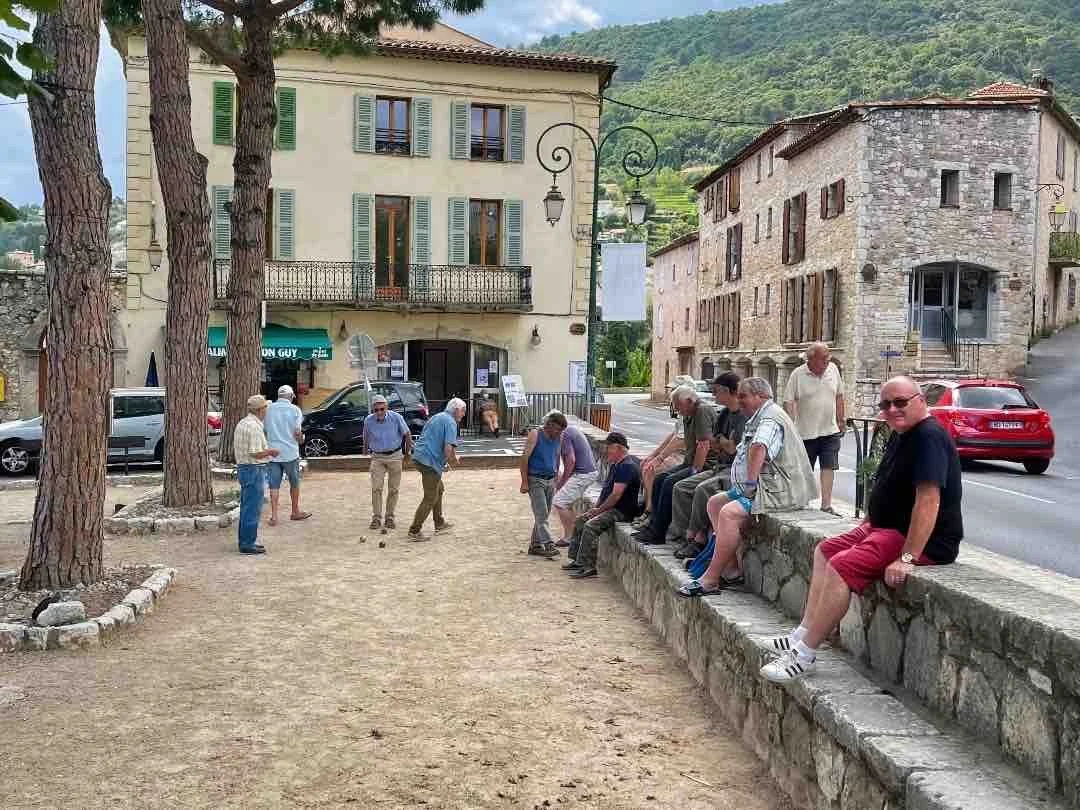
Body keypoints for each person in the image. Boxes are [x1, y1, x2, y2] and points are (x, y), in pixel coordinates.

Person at [760, 376, 963, 682]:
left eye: (900, 402)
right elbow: (887, 483)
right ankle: (800, 634)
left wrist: (907, 559)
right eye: (885, 404)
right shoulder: (901, 432)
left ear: (920, 400)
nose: (892, 409)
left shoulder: (929, 437)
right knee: (825, 550)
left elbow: (928, 501)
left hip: (919, 539)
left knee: (842, 566)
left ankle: (805, 654)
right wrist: (870, 519)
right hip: (885, 527)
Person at [676, 377, 817, 597]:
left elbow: (759, 447)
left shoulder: (770, 419)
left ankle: (711, 579)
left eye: (743, 396)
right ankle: (731, 570)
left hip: (775, 490)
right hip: (762, 487)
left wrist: (750, 484)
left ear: (760, 397)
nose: (738, 400)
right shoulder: (759, 415)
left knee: (729, 513)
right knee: (714, 503)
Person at [669, 372, 747, 558]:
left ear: (728, 391)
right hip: (720, 466)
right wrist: (724, 443)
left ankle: (696, 539)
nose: (714, 395)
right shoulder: (724, 414)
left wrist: (724, 443)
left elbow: (731, 448)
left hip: (734, 471)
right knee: (680, 487)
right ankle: (684, 535)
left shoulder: (742, 417)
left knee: (702, 490)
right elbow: (716, 443)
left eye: (717, 391)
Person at [634, 385, 716, 545]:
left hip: (705, 466)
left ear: (689, 401)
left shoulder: (702, 411)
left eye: (679, 406)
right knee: (659, 480)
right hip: (688, 462)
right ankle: (653, 525)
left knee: (670, 483)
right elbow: (677, 436)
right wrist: (657, 456)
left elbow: (703, 445)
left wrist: (695, 470)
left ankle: (659, 532)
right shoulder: (688, 414)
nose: (678, 411)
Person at [563, 432, 642, 579]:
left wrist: (599, 510)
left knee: (590, 526)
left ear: (619, 448)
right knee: (581, 520)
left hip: (621, 511)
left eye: (609, 447)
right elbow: (606, 491)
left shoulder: (627, 467)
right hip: (611, 508)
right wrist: (596, 509)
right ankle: (577, 560)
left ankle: (588, 566)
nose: (607, 451)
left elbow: (616, 495)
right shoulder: (616, 465)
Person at [784, 342, 846, 516]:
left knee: (829, 466)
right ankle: (802, 502)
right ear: (810, 359)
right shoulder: (798, 374)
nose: (827, 361)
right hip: (805, 432)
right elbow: (789, 401)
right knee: (805, 470)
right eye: (823, 359)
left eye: (828, 358)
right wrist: (791, 425)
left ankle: (826, 506)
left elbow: (839, 395)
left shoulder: (833, 369)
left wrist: (841, 419)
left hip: (830, 430)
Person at [408, 398, 465, 541]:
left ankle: (439, 522)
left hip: (420, 457)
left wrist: (450, 458)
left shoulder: (438, 416)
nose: (464, 414)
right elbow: (448, 448)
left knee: (439, 489)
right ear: (456, 410)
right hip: (429, 461)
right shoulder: (451, 422)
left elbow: (446, 444)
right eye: (463, 410)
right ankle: (414, 530)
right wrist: (451, 461)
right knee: (430, 497)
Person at [233, 394, 280, 555]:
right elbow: (255, 452)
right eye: (265, 407)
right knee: (252, 508)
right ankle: (247, 543)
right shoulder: (254, 426)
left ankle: (246, 540)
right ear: (261, 409)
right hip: (253, 468)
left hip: (246, 468)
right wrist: (271, 452)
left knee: (247, 507)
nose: (266, 410)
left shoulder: (244, 423)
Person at [520, 411, 568, 558]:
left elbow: (557, 456)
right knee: (541, 514)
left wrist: (556, 475)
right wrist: (524, 482)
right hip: (535, 479)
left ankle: (535, 545)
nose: (559, 433)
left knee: (544, 514)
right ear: (550, 425)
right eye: (558, 429)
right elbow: (524, 459)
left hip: (550, 479)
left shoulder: (558, 437)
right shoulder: (535, 434)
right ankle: (548, 544)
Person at [363, 394, 412, 531]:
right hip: (377, 457)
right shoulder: (368, 420)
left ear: (387, 408)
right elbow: (366, 435)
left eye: (381, 409)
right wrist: (365, 451)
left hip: (395, 456)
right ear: (373, 410)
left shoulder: (396, 418)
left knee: (394, 489)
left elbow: (407, 434)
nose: (379, 412)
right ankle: (376, 518)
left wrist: (407, 453)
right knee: (376, 488)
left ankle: (390, 517)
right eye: (376, 410)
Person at [264, 385, 311, 527]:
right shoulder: (295, 410)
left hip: (273, 453)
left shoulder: (268, 410)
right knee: (294, 482)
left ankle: (274, 516)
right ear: (291, 397)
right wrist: (302, 438)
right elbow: (297, 434)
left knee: (274, 485)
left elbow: (264, 430)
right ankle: (295, 511)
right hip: (290, 453)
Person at [552, 422, 599, 547]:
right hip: (586, 472)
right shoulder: (571, 430)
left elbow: (571, 460)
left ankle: (570, 537)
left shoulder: (565, 434)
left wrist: (562, 482)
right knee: (567, 502)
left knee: (559, 501)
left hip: (583, 474)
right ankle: (573, 535)